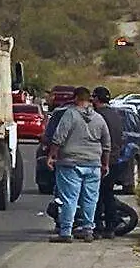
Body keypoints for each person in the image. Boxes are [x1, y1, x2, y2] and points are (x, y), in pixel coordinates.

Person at [47, 87, 111, 243]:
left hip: (70, 162)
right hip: (93, 163)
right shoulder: (98, 118)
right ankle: (88, 230)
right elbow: (106, 143)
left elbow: (59, 137)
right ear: (89, 99)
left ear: (75, 98)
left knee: (69, 199)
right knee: (90, 199)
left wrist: (51, 155)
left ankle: (66, 232)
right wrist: (105, 164)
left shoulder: (70, 114)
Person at [90, 87, 125, 239]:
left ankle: (97, 226)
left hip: (102, 159)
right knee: (108, 194)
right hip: (115, 159)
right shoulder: (116, 115)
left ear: (96, 99)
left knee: (95, 194)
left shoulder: (97, 116)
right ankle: (110, 226)